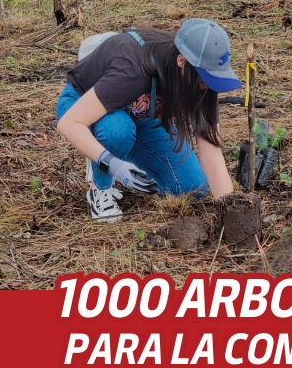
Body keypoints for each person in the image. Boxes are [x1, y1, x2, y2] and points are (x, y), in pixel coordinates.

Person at [56, 18, 241, 222]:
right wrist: (112, 163)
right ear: (181, 62)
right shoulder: (133, 70)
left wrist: (230, 212)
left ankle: (112, 153)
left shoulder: (202, 81)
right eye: (206, 78)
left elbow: (211, 150)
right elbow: (69, 122)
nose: (208, 85)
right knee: (117, 130)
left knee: (191, 188)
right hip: (81, 107)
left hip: (140, 116)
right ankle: (100, 185)